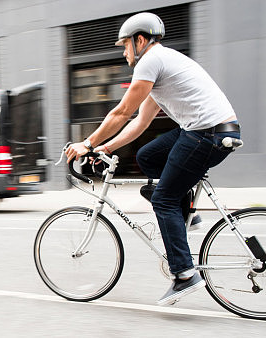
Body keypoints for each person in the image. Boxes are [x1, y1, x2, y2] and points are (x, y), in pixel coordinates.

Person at [65, 12, 241, 305]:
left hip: (206, 135)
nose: (123, 53)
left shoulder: (151, 61)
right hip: (206, 131)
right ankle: (186, 212)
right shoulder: (160, 68)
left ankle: (184, 274)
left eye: (125, 46)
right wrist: (106, 148)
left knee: (162, 200)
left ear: (141, 40)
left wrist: (87, 143)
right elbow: (139, 123)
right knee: (148, 155)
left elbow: (121, 113)